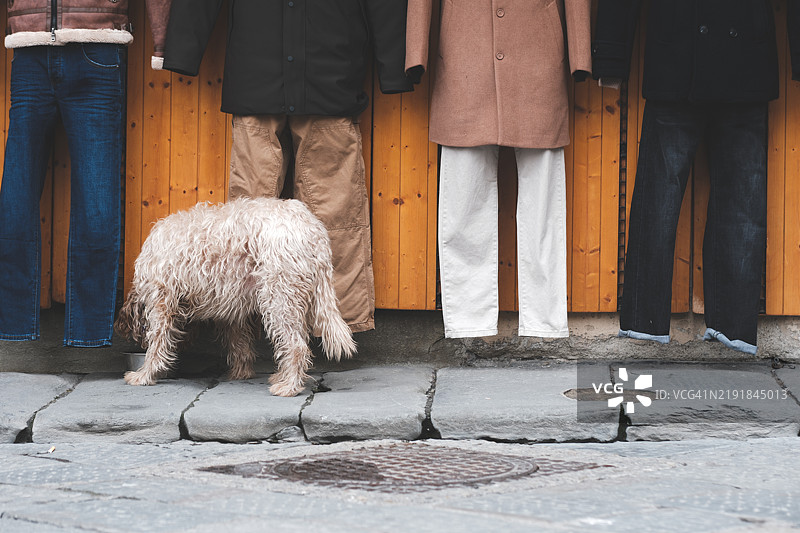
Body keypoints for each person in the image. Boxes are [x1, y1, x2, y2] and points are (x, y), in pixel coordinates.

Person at [153, 0, 415, 333]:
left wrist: (395, 68)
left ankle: (337, 327)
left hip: (329, 78)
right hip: (260, 78)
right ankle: (242, 333)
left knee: (337, 214)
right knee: (245, 224)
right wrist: (182, 52)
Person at [593, 0, 800, 354]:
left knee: (743, 207)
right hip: (676, 61)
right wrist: (611, 56)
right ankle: (644, 325)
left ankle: (733, 330)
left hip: (743, 60)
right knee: (658, 198)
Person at [406, 0, 592, 338]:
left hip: (539, 59)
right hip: (464, 60)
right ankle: (469, 324)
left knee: (543, 213)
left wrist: (580, 53)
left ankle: (544, 326)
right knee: (463, 208)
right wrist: (416, 51)